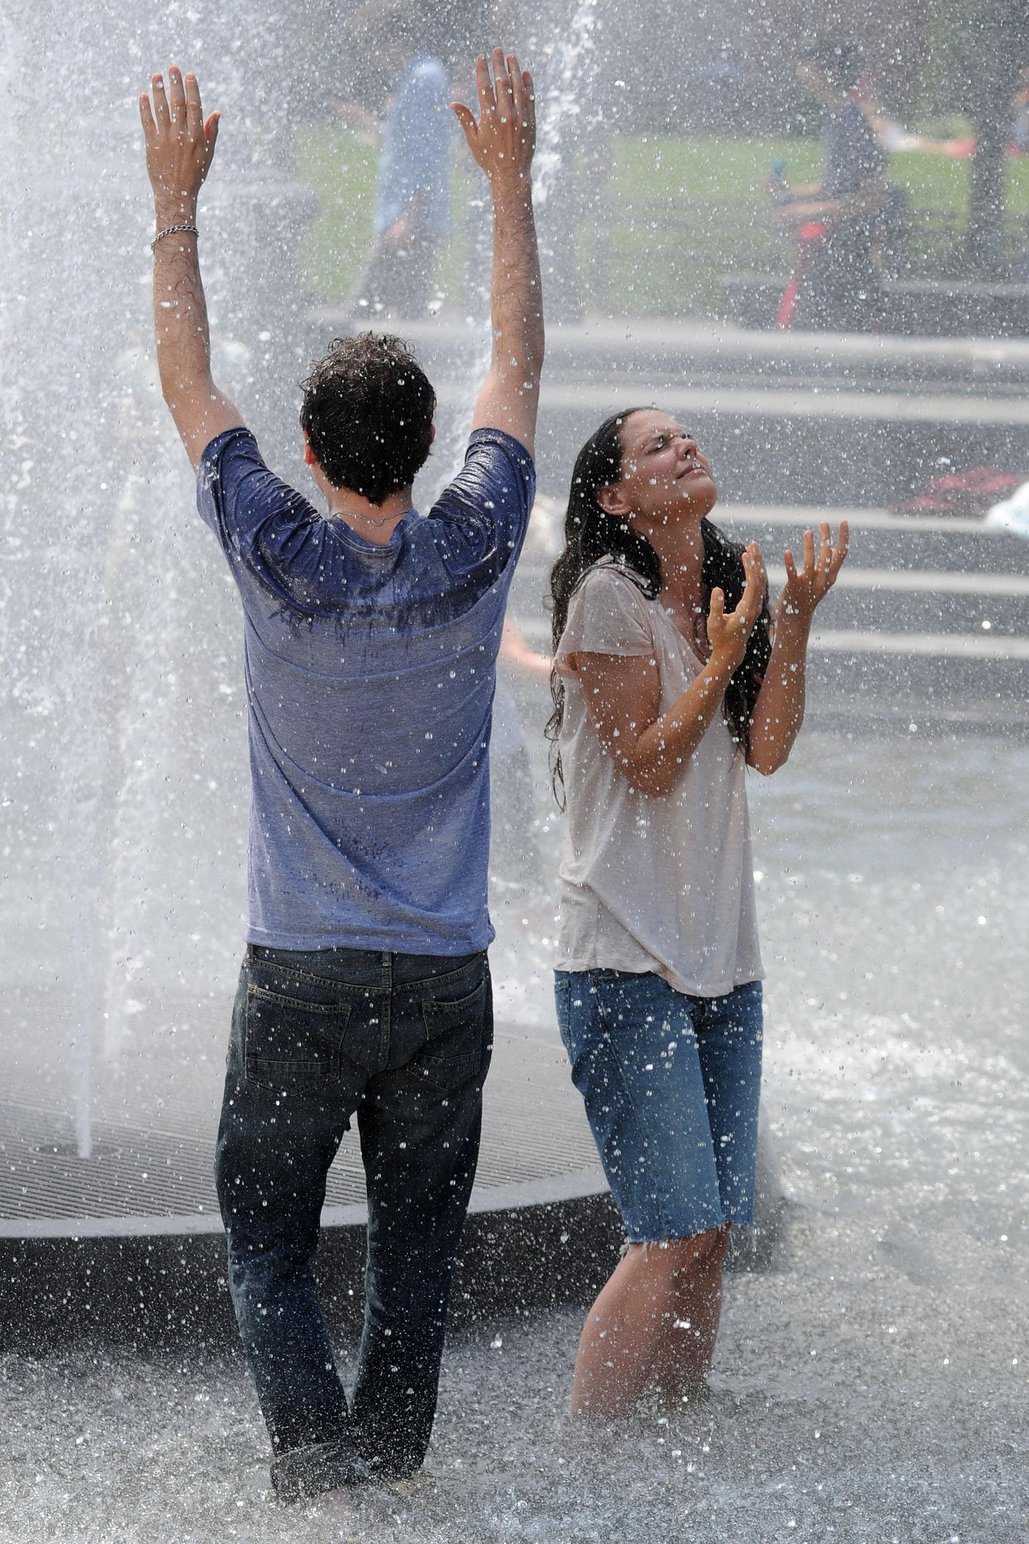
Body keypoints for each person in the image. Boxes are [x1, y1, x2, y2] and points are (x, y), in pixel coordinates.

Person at [138, 50, 542, 1502]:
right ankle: (391, 1461)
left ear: (306, 452)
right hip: (444, 971)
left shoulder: (279, 552)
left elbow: (186, 381)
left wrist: (174, 207)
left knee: (265, 1234)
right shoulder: (476, 544)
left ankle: (315, 1466)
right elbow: (517, 365)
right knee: (421, 1243)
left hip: (301, 968)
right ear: (432, 451)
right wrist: (507, 186)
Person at [546, 408, 847, 1416]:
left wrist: (791, 618)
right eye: (656, 447)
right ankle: (589, 1459)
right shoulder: (604, 599)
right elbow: (647, 761)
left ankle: (680, 1437)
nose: (685, 449)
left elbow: (764, 749)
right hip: (625, 956)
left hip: (723, 957)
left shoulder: (730, 589)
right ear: (615, 496)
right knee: (668, 1227)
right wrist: (717, 658)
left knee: (712, 1227)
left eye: (687, 437)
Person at [346, 0, 453, 320]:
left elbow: (429, 154)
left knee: (361, 313)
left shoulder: (425, 78)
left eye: (371, 48)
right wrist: (370, 125)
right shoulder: (415, 78)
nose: (371, 58)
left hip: (410, 217)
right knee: (402, 317)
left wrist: (409, 216)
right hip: (402, 213)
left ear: (392, 41)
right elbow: (408, 141)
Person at [774, 40, 888, 331]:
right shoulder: (836, 119)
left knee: (826, 337)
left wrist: (808, 213)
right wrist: (790, 193)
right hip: (831, 249)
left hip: (849, 253)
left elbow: (872, 197)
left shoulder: (853, 123)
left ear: (830, 74)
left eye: (810, 64)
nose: (801, 71)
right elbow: (834, 186)